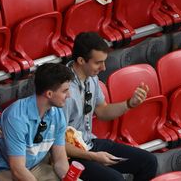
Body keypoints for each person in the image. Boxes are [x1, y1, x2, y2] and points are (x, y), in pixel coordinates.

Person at [62, 33, 159, 181]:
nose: (103, 67)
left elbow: (102, 111)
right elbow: (57, 143)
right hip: (71, 154)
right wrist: (94, 157)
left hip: (90, 143)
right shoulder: (62, 89)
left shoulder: (92, 77)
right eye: (98, 63)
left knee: (149, 162)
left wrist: (129, 104)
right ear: (81, 60)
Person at [0, 63, 74, 181]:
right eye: (65, 91)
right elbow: (18, 170)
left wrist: (68, 178)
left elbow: (60, 160)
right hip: (1, 171)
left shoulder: (58, 114)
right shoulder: (16, 118)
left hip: (32, 168)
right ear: (49, 94)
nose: (69, 95)